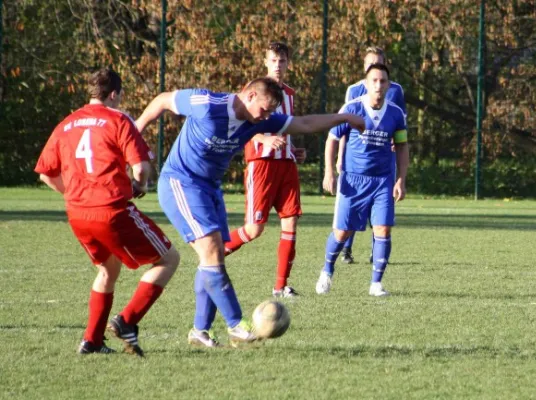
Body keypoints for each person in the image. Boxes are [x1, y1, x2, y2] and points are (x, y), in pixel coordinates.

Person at [135, 77, 364, 347]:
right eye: (264, 109)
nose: (266, 118)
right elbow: (163, 99)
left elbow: (304, 123)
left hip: (210, 188)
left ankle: (200, 330)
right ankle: (237, 325)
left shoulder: (262, 119)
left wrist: (345, 117)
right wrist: (134, 133)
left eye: (270, 113)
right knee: (210, 252)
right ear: (250, 95)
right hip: (181, 182)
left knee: (214, 255)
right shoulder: (208, 104)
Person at [34, 68, 180, 356]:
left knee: (108, 269)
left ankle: (92, 341)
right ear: (114, 93)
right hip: (111, 209)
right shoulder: (119, 119)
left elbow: (46, 175)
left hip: (77, 213)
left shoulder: (67, 123)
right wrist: (140, 184)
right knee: (168, 259)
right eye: (120, 94)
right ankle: (127, 321)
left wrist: (79, 195)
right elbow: (141, 166)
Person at [316, 63, 409, 297]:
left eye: (383, 81)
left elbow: (402, 145)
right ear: (366, 84)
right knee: (342, 232)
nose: (378, 85)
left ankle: (376, 283)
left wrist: (401, 179)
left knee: (383, 229)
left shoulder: (396, 114)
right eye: (374, 81)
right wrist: (329, 171)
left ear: (389, 85)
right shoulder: (352, 109)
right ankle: (327, 270)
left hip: (382, 181)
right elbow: (332, 138)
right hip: (353, 180)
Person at [224, 42, 306, 298]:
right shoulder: (253, 90)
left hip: (286, 166)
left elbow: (286, 128)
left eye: (282, 61)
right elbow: (240, 126)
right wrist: (264, 140)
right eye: (273, 60)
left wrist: (294, 149)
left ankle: (280, 286)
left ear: (288, 63)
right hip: (261, 165)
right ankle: (214, 254)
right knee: (254, 230)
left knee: (291, 223)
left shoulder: (290, 93)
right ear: (265, 61)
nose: (278, 66)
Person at [337, 46, 407, 264]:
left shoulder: (396, 90)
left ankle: (377, 252)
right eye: (369, 64)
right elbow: (342, 129)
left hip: (383, 157)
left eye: (378, 62)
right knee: (354, 207)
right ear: (364, 68)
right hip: (357, 161)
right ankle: (346, 249)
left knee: (382, 207)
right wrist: (340, 157)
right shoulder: (354, 91)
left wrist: (397, 141)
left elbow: (400, 119)